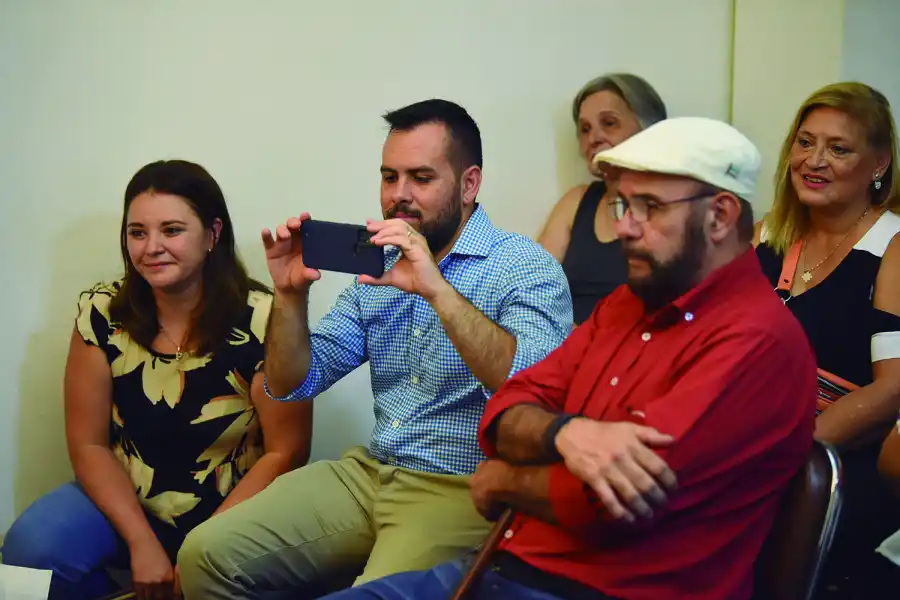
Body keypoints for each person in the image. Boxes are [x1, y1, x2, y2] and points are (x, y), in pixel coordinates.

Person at [314, 117, 819, 600]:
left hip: (604, 590)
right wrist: (566, 434)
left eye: (649, 207)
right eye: (623, 206)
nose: (625, 227)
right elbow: (508, 404)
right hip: (505, 567)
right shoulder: (626, 305)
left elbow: (611, 502)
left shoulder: (757, 341)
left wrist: (504, 480)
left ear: (720, 216)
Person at [176, 99, 573, 598]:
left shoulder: (524, 266)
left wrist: (436, 289)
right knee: (204, 557)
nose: (399, 196)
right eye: (390, 177)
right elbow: (291, 381)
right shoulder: (378, 267)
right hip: (370, 472)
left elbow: (535, 387)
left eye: (421, 178)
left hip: (458, 487)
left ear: (469, 185)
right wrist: (290, 296)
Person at [1, 160, 313, 600]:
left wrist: (202, 550)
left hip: (234, 508)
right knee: (28, 552)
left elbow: (287, 451)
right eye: (137, 232)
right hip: (129, 500)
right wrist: (141, 541)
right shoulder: (102, 314)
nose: (151, 247)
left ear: (212, 234)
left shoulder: (266, 318)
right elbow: (88, 444)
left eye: (171, 230)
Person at [753, 82, 900, 598]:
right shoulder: (769, 232)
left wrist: (787, 454)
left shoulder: (893, 247)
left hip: (832, 463)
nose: (814, 161)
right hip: (750, 438)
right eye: (805, 142)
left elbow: (893, 388)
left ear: (878, 164)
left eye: (839, 148)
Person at [537, 73, 667, 324]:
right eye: (584, 129)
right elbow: (532, 287)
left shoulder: (674, 206)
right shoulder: (576, 202)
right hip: (564, 351)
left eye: (609, 123)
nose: (593, 138)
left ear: (649, 130)